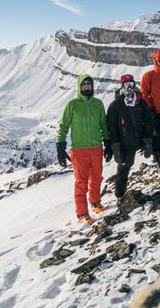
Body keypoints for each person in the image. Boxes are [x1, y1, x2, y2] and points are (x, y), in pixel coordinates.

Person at [107, 75, 160, 197]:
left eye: (131, 84)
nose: (129, 88)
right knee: (124, 165)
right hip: (126, 143)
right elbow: (111, 127)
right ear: (122, 86)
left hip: (142, 139)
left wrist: (148, 139)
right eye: (126, 85)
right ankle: (120, 194)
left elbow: (149, 120)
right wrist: (116, 147)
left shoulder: (140, 102)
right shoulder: (116, 105)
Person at [57, 74, 113, 225]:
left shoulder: (98, 104)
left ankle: (95, 203)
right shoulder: (72, 105)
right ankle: (82, 214)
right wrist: (60, 145)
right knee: (81, 183)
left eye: (89, 84)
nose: (87, 87)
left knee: (96, 178)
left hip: (96, 148)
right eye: (84, 85)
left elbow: (103, 125)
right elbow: (63, 125)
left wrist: (107, 143)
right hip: (79, 150)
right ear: (79, 87)